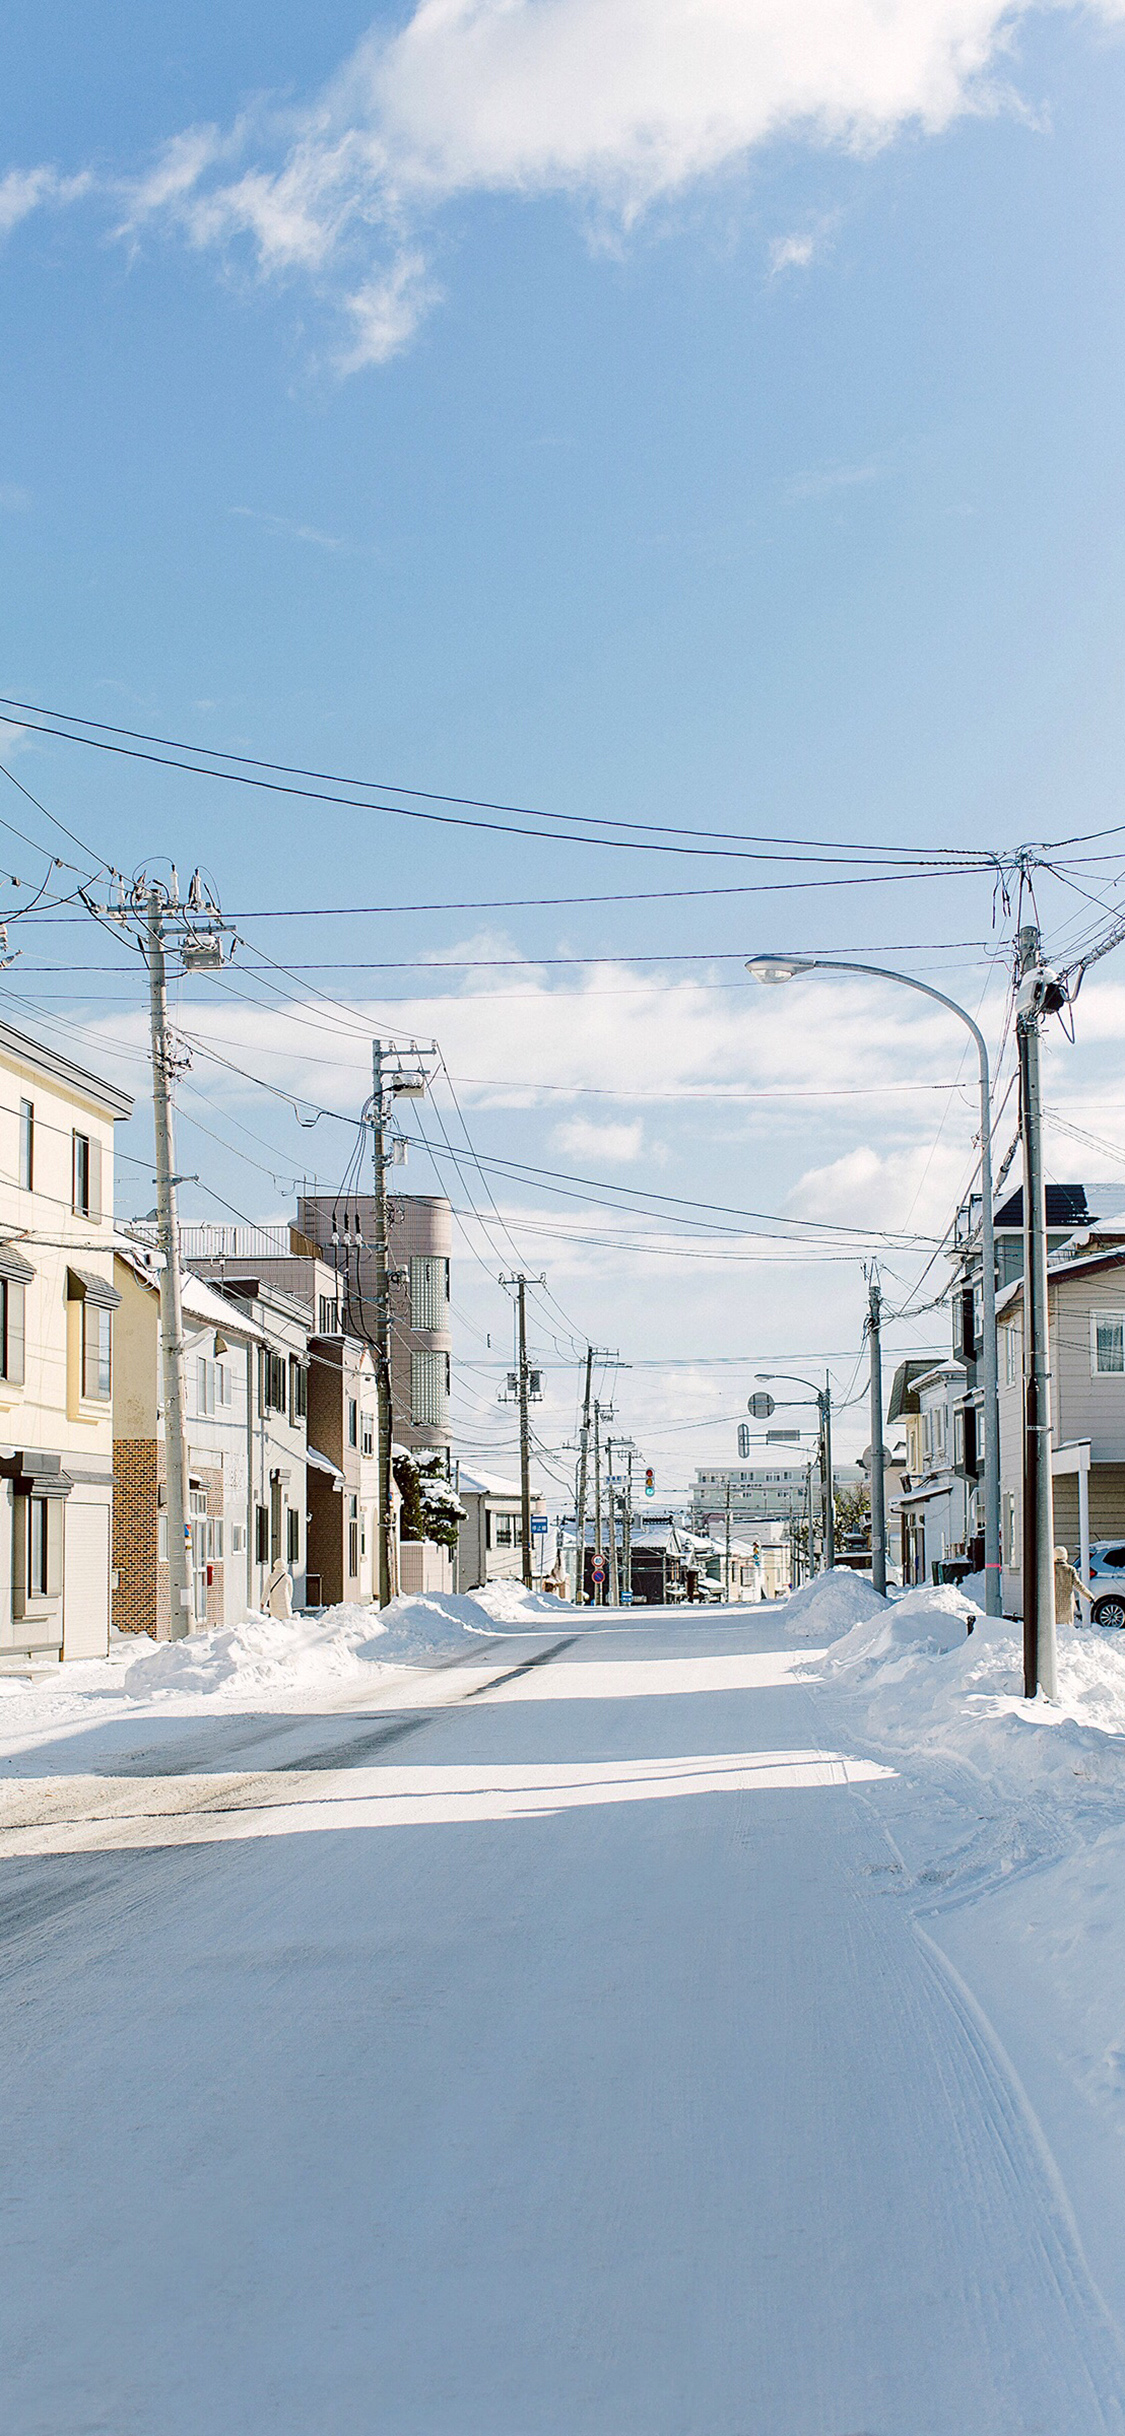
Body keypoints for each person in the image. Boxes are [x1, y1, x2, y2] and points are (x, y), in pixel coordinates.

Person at [1053, 1546, 1094, 1629]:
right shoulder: (1070, 1570)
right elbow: (1079, 1585)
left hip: (1053, 1601)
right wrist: (1090, 1597)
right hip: (1067, 1602)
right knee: (1066, 1626)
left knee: (1054, 1625)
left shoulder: (1050, 1569)